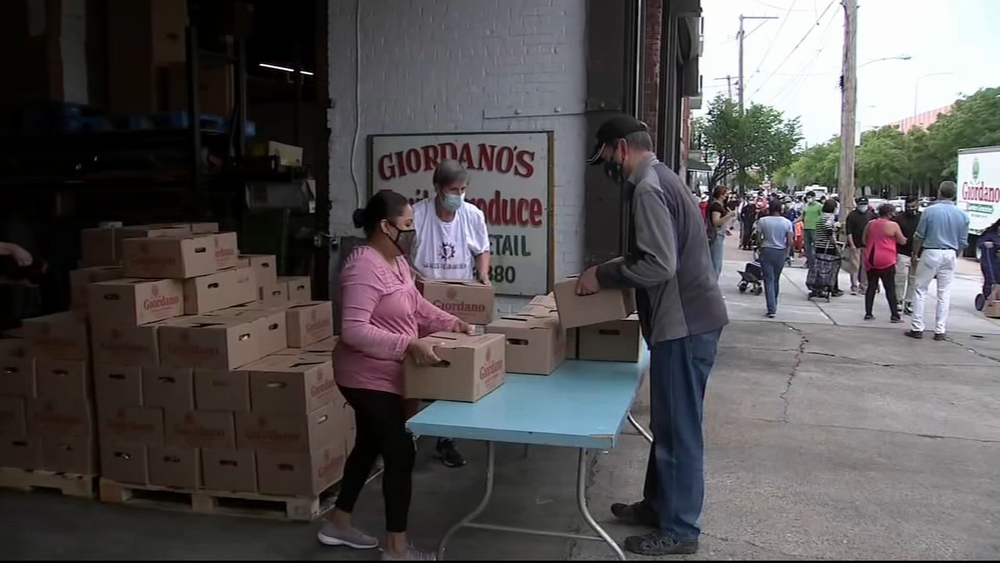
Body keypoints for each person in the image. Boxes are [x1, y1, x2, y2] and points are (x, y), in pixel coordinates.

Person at [579, 115, 728, 556]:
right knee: (667, 423)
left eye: (607, 156)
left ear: (622, 148)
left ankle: (680, 530)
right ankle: (659, 505)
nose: (608, 166)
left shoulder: (647, 188)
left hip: (683, 325)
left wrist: (603, 276)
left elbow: (659, 265)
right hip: (690, 321)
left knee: (679, 430)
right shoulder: (664, 178)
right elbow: (658, 252)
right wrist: (610, 267)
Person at [319, 190, 473, 561]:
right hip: (364, 376)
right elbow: (353, 330)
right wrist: (408, 345)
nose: (412, 232)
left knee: (368, 446)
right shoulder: (363, 267)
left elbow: (415, 305)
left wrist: (450, 322)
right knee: (400, 454)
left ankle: (338, 523)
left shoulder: (397, 261)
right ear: (385, 226)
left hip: (391, 373)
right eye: (407, 225)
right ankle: (396, 549)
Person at [409, 159, 491, 468]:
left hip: (458, 305)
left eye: (463, 189)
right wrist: (411, 277)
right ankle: (409, 433)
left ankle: (447, 439)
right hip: (420, 302)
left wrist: (483, 275)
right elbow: (399, 255)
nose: (459, 195)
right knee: (416, 368)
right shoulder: (417, 215)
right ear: (437, 188)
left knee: (453, 369)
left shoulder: (472, 215)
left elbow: (482, 250)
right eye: (453, 190)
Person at [906, 181, 970, 340]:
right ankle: (940, 329)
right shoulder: (962, 215)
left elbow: (919, 236)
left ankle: (917, 327)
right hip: (950, 252)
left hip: (931, 251)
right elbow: (963, 242)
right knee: (944, 292)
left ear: (940, 192)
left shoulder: (929, 211)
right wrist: (956, 254)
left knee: (920, 289)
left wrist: (915, 253)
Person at [862, 204, 906, 322]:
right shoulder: (893, 225)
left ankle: (868, 313)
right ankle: (894, 315)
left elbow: (864, 240)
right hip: (887, 259)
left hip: (871, 258)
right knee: (890, 288)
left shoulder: (870, 224)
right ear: (889, 214)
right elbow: (902, 241)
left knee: (871, 286)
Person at [756, 200, 794, 318]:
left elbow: (758, 238)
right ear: (781, 209)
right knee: (776, 278)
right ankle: (774, 302)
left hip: (767, 250)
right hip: (780, 251)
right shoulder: (787, 223)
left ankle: (771, 307)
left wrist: (760, 247)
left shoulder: (762, 221)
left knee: (768, 279)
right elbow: (790, 241)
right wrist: (787, 252)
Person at [807, 199, 844, 298]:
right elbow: (828, 228)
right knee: (832, 267)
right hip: (828, 246)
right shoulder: (830, 217)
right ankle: (832, 287)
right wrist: (835, 243)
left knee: (819, 267)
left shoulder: (820, 217)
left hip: (819, 245)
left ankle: (817, 287)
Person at [892, 195, 921, 314]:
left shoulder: (922, 218)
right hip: (902, 252)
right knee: (900, 277)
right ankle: (898, 300)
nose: (911, 209)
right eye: (908, 207)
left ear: (917, 205)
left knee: (914, 279)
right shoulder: (899, 218)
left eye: (913, 206)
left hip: (918, 253)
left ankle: (909, 301)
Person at [845, 197, 876, 294]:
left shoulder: (871, 215)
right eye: (861, 204)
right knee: (855, 266)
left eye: (864, 204)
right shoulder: (852, 215)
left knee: (865, 267)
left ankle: (864, 286)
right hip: (855, 244)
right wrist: (852, 244)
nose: (863, 206)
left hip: (867, 245)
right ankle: (854, 285)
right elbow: (849, 231)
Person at [707, 185, 735, 278]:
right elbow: (716, 222)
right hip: (716, 235)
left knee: (717, 262)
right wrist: (729, 215)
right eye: (725, 194)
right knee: (716, 262)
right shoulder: (716, 206)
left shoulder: (718, 205)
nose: (727, 196)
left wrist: (724, 228)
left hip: (718, 233)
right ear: (720, 194)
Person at [798, 191, 822, 269]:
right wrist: (794, 221)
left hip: (815, 228)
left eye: (810, 197)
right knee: (806, 246)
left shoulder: (819, 206)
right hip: (806, 228)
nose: (809, 199)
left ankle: (814, 262)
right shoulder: (806, 206)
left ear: (814, 197)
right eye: (807, 197)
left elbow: (822, 216)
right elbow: (802, 216)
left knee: (815, 246)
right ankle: (808, 261)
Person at [977, 217, 1000, 300]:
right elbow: (980, 243)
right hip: (990, 261)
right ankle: (988, 297)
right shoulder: (990, 233)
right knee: (990, 279)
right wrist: (985, 244)